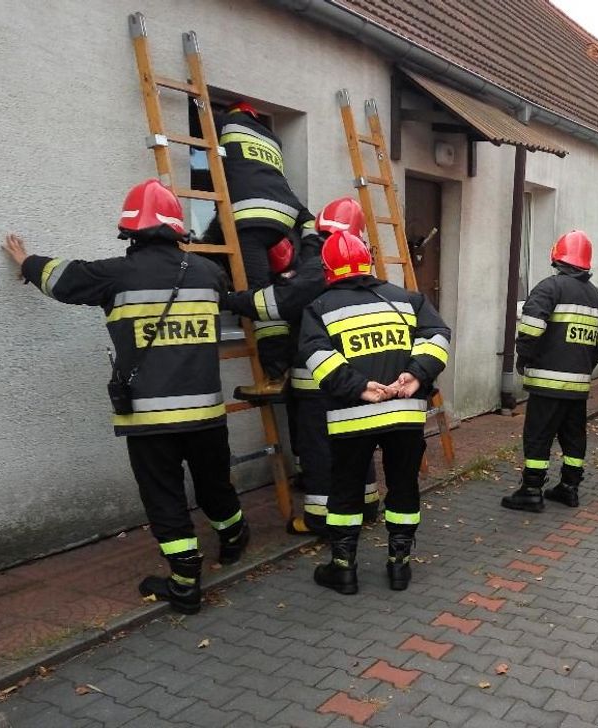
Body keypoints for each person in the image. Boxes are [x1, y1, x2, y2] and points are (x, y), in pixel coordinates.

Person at [0, 179, 248, 615]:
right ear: (178, 230)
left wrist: (25, 261)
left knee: (164, 495)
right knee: (214, 482)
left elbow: (62, 277)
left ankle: (185, 582)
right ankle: (234, 536)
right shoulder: (211, 274)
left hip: (149, 419)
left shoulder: (114, 274)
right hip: (207, 413)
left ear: (130, 231)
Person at [299, 230, 451, 594]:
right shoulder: (409, 300)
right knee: (404, 486)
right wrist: (416, 375)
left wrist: (359, 387)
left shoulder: (318, 308)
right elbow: (439, 336)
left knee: (346, 492)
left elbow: (318, 358)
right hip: (404, 415)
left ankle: (343, 570)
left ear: (328, 270)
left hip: (352, 417)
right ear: (369, 258)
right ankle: (399, 566)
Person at [222, 198, 380, 534]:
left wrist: (232, 299)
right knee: (357, 441)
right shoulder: (363, 268)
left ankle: (320, 518)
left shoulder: (321, 261)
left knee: (319, 449)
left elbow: (281, 301)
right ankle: (367, 503)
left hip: (320, 384)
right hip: (358, 379)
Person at [501, 231, 598, 512]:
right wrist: (590, 360)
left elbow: (531, 328)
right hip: (578, 385)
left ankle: (531, 490)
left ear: (557, 256)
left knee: (538, 436)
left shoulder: (549, 288)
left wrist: (525, 356)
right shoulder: (596, 297)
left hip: (546, 383)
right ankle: (569, 487)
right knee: (573, 436)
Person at [211, 100, 307, 399]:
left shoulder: (224, 124)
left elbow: (201, 129)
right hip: (283, 220)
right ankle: (279, 371)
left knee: (259, 298)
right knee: (271, 293)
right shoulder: (273, 139)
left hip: (248, 219)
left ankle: (275, 375)